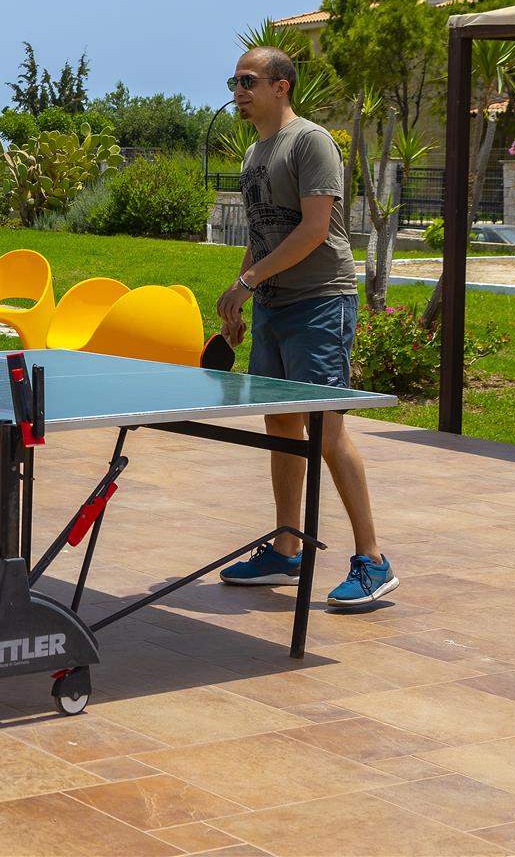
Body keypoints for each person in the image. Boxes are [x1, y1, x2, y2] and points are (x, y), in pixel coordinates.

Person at [215, 46, 397, 608]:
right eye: (234, 81)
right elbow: (263, 234)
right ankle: (287, 549)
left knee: (326, 431)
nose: (238, 91)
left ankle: (373, 560)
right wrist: (241, 296)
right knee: (281, 427)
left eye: (249, 81)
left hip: (320, 303)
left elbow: (314, 230)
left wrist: (247, 283)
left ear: (281, 86)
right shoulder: (253, 154)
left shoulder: (311, 142)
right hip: (273, 307)